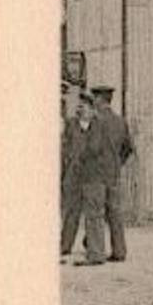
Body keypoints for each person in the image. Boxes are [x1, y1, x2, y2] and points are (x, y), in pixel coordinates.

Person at [77, 85, 134, 265]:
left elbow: (92, 148)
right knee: (115, 214)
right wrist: (118, 163)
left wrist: (81, 158)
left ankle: (95, 254)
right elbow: (128, 148)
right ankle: (119, 251)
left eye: (93, 99)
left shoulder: (96, 121)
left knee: (94, 214)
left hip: (95, 174)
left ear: (99, 100)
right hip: (113, 174)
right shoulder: (120, 121)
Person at [60, 90, 94, 261]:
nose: (80, 109)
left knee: (92, 211)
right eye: (79, 107)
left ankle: (92, 244)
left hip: (91, 176)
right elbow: (65, 148)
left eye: (84, 106)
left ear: (91, 109)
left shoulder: (97, 126)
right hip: (73, 175)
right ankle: (65, 245)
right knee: (71, 211)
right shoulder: (71, 125)